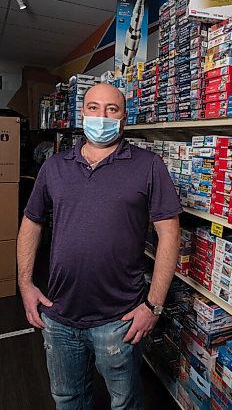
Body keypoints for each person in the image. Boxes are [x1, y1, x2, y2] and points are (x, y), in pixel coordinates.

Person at [17, 83, 182, 410]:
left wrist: (154, 306)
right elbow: (31, 222)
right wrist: (25, 283)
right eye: (94, 108)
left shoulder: (148, 165)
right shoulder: (54, 166)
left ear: (123, 118)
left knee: (125, 402)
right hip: (58, 313)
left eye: (112, 109)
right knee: (67, 399)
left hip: (120, 318)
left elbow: (170, 234)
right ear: (83, 113)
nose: (102, 116)